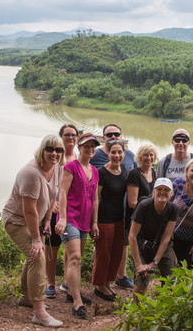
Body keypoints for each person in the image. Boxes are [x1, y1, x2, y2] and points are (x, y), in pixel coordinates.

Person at [1, 134, 64, 328]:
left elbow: (54, 195)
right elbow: (29, 210)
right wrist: (36, 238)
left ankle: (27, 298)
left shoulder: (58, 168)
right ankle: (39, 312)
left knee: (33, 257)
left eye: (58, 150)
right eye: (50, 149)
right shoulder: (30, 173)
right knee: (37, 256)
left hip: (37, 219)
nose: (54, 153)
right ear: (42, 150)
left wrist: (47, 220)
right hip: (17, 220)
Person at [55, 132, 100, 319]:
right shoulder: (70, 167)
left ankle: (72, 292)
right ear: (79, 147)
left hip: (84, 221)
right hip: (70, 218)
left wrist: (94, 222)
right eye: (86, 146)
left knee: (74, 259)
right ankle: (77, 302)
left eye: (93, 146)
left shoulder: (95, 171)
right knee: (75, 258)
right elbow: (63, 193)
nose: (90, 149)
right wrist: (62, 218)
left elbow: (95, 198)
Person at [128, 178, 178, 299]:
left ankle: (164, 312)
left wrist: (154, 262)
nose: (162, 192)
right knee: (142, 280)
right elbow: (132, 236)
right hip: (142, 244)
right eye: (159, 189)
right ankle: (137, 313)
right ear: (153, 192)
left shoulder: (173, 209)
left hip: (162, 245)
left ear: (171, 194)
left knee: (170, 279)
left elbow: (166, 238)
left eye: (166, 190)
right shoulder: (144, 206)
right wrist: (139, 265)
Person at [91, 139, 128, 302]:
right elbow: (95, 199)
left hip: (119, 219)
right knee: (103, 254)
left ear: (124, 154)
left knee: (116, 253)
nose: (117, 155)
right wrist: (94, 222)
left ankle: (107, 283)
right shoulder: (101, 172)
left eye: (120, 152)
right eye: (113, 152)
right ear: (108, 154)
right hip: (104, 220)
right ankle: (99, 286)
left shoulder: (124, 170)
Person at [119, 143, 159, 290]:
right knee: (137, 251)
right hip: (136, 219)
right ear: (139, 157)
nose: (148, 158)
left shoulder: (153, 172)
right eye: (145, 155)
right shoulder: (135, 174)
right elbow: (132, 202)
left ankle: (143, 281)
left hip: (149, 221)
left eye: (151, 155)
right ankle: (137, 282)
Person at [45, 124, 77, 299]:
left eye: (73, 135)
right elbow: (46, 181)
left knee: (70, 245)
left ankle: (67, 281)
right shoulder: (55, 156)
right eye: (67, 135)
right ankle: (50, 283)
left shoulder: (79, 157)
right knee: (52, 246)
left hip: (72, 209)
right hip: (54, 208)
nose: (70, 138)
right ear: (61, 136)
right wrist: (53, 202)